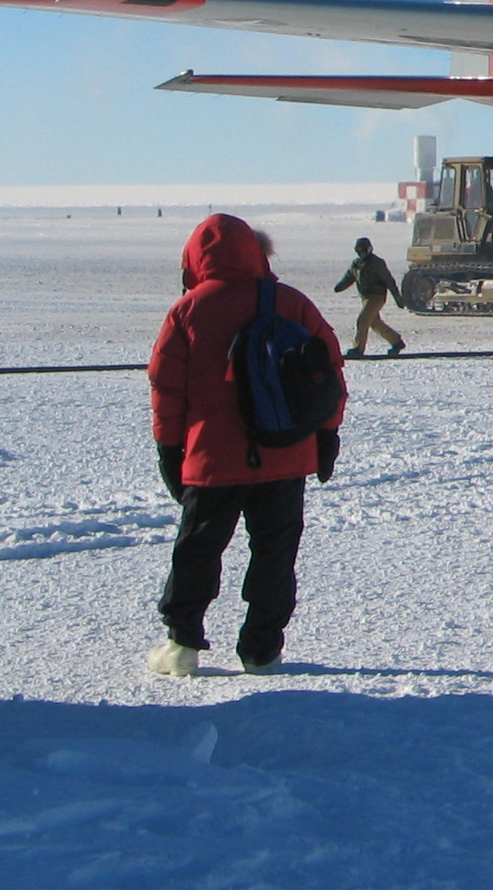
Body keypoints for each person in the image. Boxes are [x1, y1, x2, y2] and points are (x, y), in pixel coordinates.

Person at [146, 214, 346, 677]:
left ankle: (182, 646)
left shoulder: (188, 310)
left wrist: (169, 450)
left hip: (211, 461)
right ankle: (262, 650)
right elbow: (330, 372)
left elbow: (167, 389)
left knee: (197, 551)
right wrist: (326, 435)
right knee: (275, 555)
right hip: (286, 454)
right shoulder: (292, 303)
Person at [334, 236, 405, 357]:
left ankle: (358, 349)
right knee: (374, 322)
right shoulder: (357, 264)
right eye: (359, 249)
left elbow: (389, 281)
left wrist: (397, 298)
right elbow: (349, 277)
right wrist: (340, 287)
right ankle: (396, 341)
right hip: (365, 297)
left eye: (363, 249)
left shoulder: (376, 263)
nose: (361, 252)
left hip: (377, 296)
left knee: (363, 320)